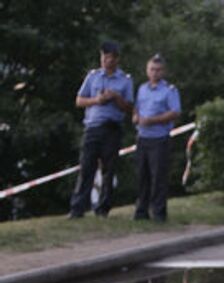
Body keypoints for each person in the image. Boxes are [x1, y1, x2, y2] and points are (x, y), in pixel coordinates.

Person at [68, 41, 134, 219]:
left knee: (108, 170)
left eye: (109, 58)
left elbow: (129, 108)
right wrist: (97, 100)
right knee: (86, 167)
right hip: (92, 127)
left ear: (116, 59)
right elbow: (79, 101)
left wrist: (116, 97)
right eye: (103, 57)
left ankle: (103, 208)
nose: (106, 61)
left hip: (112, 128)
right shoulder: (93, 76)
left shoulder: (125, 80)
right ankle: (77, 208)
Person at [132, 54, 181, 222]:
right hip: (142, 138)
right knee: (142, 177)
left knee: (158, 178)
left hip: (159, 139)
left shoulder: (169, 90)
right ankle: (141, 211)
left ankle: (159, 213)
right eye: (152, 69)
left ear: (163, 72)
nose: (155, 73)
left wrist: (152, 120)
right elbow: (137, 107)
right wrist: (136, 116)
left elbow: (175, 112)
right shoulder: (142, 88)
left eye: (158, 70)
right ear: (147, 70)